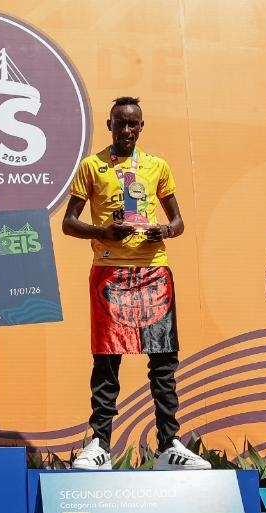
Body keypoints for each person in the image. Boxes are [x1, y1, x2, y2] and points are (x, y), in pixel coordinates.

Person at [61, 96, 209, 471]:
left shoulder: (157, 166)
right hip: (110, 272)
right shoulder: (91, 166)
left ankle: (169, 444)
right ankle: (99, 444)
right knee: (107, 361)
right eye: (120, 123)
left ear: (141, 127)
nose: (127, 130)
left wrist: (164, 230)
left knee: (162, 361)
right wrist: (103, 232)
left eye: (133, 124)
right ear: (109, 125)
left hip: (153, 271)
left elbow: (178, 222)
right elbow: (68, 223)